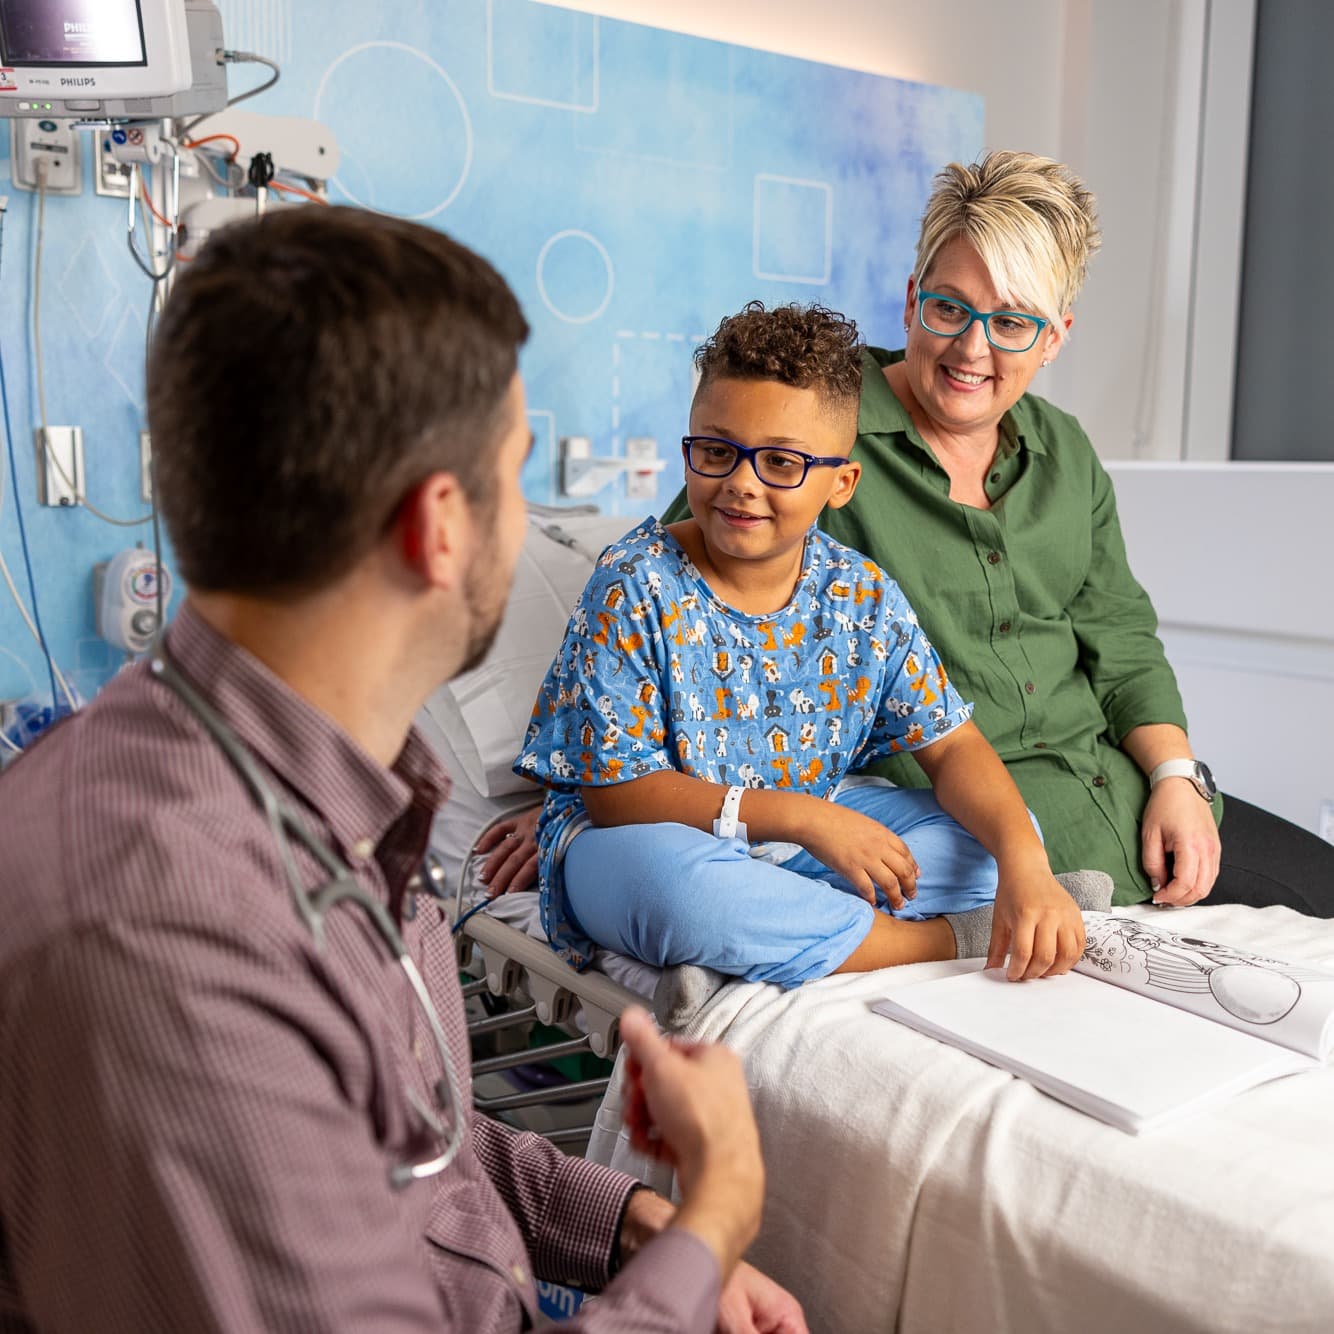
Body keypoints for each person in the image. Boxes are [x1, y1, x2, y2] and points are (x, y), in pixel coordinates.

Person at [0, 207, 806, 1333]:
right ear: (438, 526)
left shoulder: (318, 799)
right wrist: (713, 1219)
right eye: (516, 480)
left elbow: (387, 1138)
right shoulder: (173, 937)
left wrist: (630, 1225)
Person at [514, 302, 1090, 990]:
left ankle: (777, 932)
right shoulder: (634, 582)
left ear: (841, 484)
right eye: (717, 451)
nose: (742, 483)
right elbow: (616, 797)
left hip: (800, 841)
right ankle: (940, 940)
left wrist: (1027, 867)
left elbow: (953, 748)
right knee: (678, 895)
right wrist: (805, 818)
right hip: (646, 839)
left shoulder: (861, 596)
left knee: (1004, 838)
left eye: (781, 462)